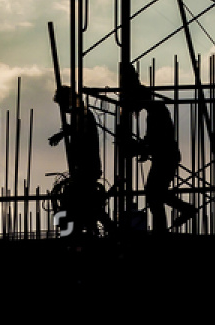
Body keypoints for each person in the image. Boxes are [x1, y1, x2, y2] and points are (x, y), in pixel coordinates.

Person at [123, 70, 196, 233]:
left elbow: (158, 138)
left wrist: (140, 148)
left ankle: (174, 219)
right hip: (164, 156)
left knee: (154, 194)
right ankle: (165, 226)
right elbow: (151, 138)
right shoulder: (155, 111)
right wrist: (143, 148)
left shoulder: (156, 111)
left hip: (166, 157)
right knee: (156, 194)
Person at [47, 85, 115, 238]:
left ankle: (71, 235)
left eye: (63, 105)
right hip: (85, 168)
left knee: (78, 205)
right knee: (88, 206)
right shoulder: (81, 114)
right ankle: (102, 231)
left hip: (86, 169)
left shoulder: (82, 115)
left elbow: (82, 136)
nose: (63, 109)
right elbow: (76, 131)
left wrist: (65, 133)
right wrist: (64, 133)